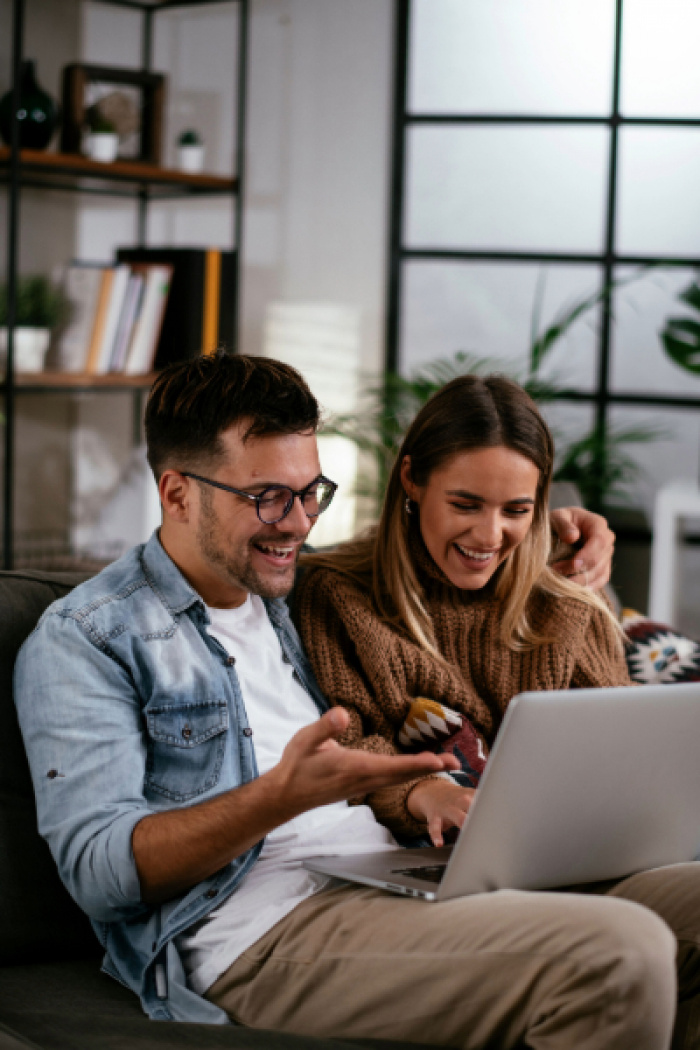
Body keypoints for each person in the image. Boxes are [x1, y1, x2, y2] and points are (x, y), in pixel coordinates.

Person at [13, 353, 687, 1050]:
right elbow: (101, 875)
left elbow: (444, 550)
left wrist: (553, 523)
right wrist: (280, 797)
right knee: (620, 951)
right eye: (268, 496)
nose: (297, 523)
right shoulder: (88, 640)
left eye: (312, 493)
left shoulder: (308, 591)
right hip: (260, 931)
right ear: (178, 494)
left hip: (394, 878)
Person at [293, 374, 630, 846]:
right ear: (411, 479)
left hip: (583, 844)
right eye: (466, 505)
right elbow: (347, 744)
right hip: (453, 856)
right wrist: (422, 791)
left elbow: (627, 749)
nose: (490, 536)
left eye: (515, 511)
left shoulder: (566, 597)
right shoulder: (340, 597)